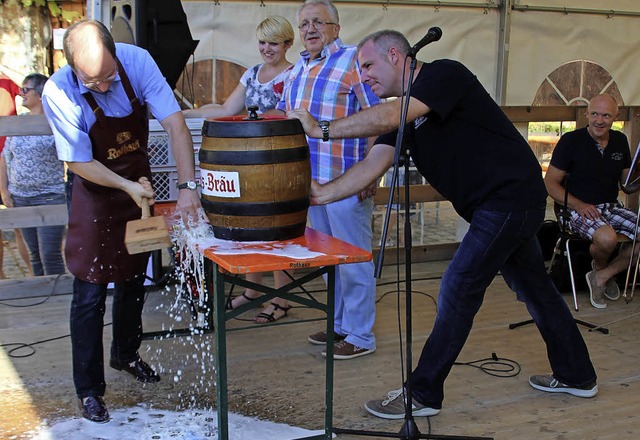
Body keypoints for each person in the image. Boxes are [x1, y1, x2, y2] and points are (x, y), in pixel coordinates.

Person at [288, 29, 597, 418]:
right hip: (499, 208)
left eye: (367, 65)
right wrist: (322, 194)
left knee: (458, 284)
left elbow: (385, 115)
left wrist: (323, 128)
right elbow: (371, 165)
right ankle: (578, 375)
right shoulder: (398, 114)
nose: (362, 76)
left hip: (510, 200)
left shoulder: (444, 75)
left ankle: (422, 393)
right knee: (536, 290)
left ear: (397, 57)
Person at [41, 20, 203, 423]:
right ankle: (90, 389)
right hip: (93, 191)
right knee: (91, 290)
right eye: (91, 81)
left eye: (108, 76)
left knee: (134, 275)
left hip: (138, 181)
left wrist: (187, 188)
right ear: (71, 66)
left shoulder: (138, 62)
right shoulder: (58, 90)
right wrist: (124, 186)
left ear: (116, 52)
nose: (102, 86)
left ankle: (125, 353)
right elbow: (78, 161)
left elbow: (175, 125)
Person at [273, 0, 382, 360]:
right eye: (303, 24)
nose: (309, 29)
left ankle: (360, 335)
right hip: (311, 184)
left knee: (354, 258)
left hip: (347, 180)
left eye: (318, 22)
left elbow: (377, 117)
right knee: (325, 257)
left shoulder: (353, 61)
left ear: (336, 27)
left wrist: (370, 170)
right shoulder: (298, 69)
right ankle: (339, 325)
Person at [184, 15, 295, 323]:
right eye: (262, 42)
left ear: (287, 43)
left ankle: (281, 298)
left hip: (278, 160)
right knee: (251, 229)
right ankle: (253, 290)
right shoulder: (253, 73)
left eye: (273, 43)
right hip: (248, 160)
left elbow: (288, 114)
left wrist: (257, 118)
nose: (266, 48)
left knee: (276, 230)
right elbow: (225, 109)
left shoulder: (296, 73)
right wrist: (183, 113)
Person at [545, 94, 639, 309]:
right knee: (607, 239)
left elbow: (627, 184)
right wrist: (579, 205)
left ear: (616, 116)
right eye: (595, 114)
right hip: (574, 209)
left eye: (606, 115)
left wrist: (637, 174)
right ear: (587, 114)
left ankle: (602, 276)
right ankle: (602, 269)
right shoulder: (571, 141)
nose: (599, 120)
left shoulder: (620, 141)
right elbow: (550, 184)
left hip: (610, 206)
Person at [0, 73, 66, 276]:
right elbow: (5, 156)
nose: (21, 94)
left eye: (25, 89)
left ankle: (57, 298)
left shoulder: (56, 121)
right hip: (21, 197)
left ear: (40, 93)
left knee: (50, 254)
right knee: (35, 253)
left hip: (49, 196)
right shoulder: (17, 123)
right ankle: (41, 294)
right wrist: (4, 190)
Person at [0, 70, 31, 278]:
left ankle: (33, 272)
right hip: (9, 159)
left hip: (10, 159)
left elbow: (24, 89)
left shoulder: (4, 80)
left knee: (21, 223)